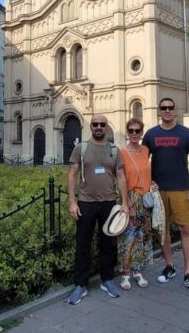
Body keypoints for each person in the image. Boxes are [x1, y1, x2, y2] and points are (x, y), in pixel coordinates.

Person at [66, 114, 130, 305]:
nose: (99, 127)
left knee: (108, 244)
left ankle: (107, 280)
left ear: (107, 127)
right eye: (95, 124)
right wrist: (72, 202)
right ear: (91, 126)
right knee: (83, 245)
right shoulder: (81, 148)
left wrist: (125, 203)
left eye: (102, 124)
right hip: (85, 202)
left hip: (109, 203)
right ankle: (80, 285)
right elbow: (72, 175)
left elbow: (121, 177)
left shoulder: (114, 150)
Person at [142, 97, 189, 295]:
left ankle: (188, 272)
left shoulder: (185, 133)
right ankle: (169, 266)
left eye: (170, 108)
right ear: (159, 111)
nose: (167, 110)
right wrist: (147, 182)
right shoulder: (151, 134)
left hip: (181, 189)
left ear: (175, 111)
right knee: (163, 230)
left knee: (186, 229)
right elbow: (143, 161)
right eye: (163, 108)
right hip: (158, 192)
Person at [118, 117, 158, 291]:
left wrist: (153, 183)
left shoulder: (145, 150)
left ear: (142, 133)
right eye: (131, 130)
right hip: (132, 199)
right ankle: (125, 273)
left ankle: (137, 270)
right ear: (127, 133)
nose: (134, 133)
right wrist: (127, 203)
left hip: (146, 198)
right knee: (129, 236)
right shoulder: (122, 153)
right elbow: (121, 179)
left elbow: (146, 172)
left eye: (137, 131)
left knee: (143, 235)